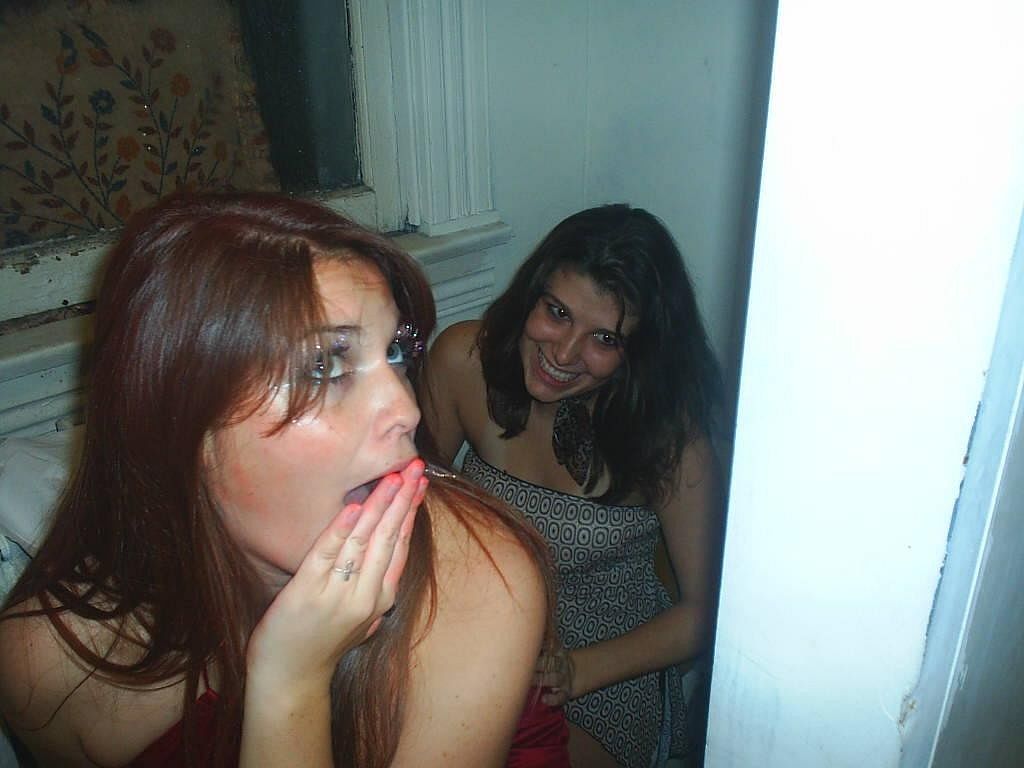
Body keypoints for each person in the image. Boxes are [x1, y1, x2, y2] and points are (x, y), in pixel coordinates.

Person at [0, 192, 571, 767]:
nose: (406, 409)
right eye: (325, 366)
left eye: (395, 352)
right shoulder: (48, 665)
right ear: (175, 427)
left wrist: (291, 687)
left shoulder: (476, 569)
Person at [421, 204, 725, 768]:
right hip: (474, 630)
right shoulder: (464, 361)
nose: (563, 353)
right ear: (531, 294)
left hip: (605, 667)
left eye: (603, 338)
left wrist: (576, 670)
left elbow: (708, 611)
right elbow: (410, 507)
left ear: (639, 353)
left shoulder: (669, 434)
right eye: (557, 312)